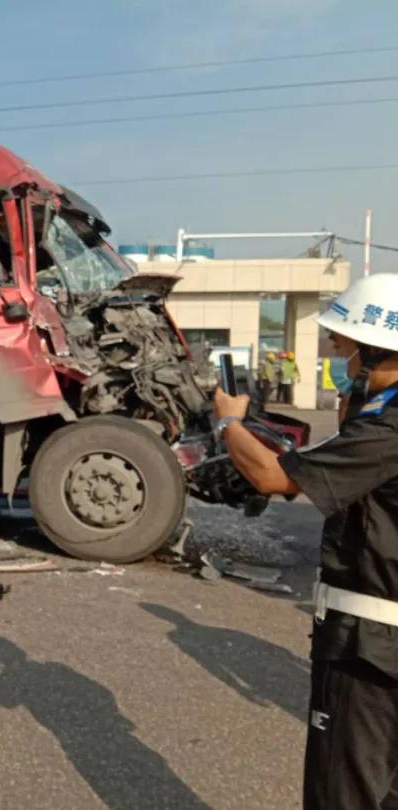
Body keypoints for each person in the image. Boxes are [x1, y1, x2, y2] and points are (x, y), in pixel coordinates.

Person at [213, 273, 398, 809]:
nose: (342, 362)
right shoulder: (377, 420)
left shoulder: (387, 428)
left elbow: (275, 478)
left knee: (344, 791)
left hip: (372, 646)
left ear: (375, 349)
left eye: (344, 349)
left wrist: (229, 425)